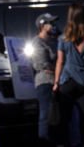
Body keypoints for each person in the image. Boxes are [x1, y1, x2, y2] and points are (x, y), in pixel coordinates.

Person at [53, 3, 84, 147]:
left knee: (64, 117)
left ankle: (65, 143)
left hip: (68, 80)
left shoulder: (63, 38)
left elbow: (60, 61)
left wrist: (56, 82)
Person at [27, 12, 59, 146]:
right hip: (45, 81)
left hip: (57, 80)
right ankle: (43, 140)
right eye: (50, 23)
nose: (53, 25)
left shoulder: (55, 41)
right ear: (42, 25)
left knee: (56, 115)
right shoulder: (37, 42)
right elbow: (43, 64)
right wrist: (58, 66)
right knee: (45, 113)